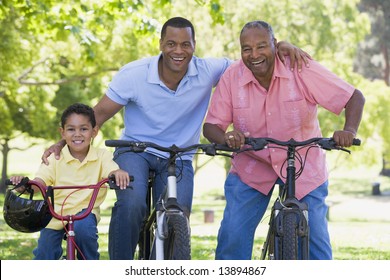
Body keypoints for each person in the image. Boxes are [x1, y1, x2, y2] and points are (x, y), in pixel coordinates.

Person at [41, 17, 310, 260]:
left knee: (179, 213)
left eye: (185, 44)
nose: (178, 51)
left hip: (179, 154)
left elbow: (249, 62)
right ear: (160, 44)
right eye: (171, 43)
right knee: (132, 203)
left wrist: (280, 46)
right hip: (136, 150)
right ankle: (120, 267)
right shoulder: (133, 75)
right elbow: (97, 115)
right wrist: (61, 144)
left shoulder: (209, 70)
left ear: (194, 46)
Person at [203, 20, 365, 260]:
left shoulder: (299, 67)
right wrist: (226, 136)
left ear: (275, 45)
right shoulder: (232, 77)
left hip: (304, 164)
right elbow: (211, 126)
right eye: (246, 49)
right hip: (252, 166)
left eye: (261, 46)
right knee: (232, 239)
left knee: (317, 247)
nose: (254, 54)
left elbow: (354, 97)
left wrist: (349, 131)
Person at [10, 103, 130, 260]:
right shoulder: (54, 158)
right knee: (45, 252)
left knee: (85, 232)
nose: (77, 134)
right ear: (63, 133)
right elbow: (39, 183)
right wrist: (24, 185)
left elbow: (111, 170)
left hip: (86, 212)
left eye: (84, 129)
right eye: (71, 129)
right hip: (55, 214)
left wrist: (117, 173)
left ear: (94, 131)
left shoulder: (102, 156)